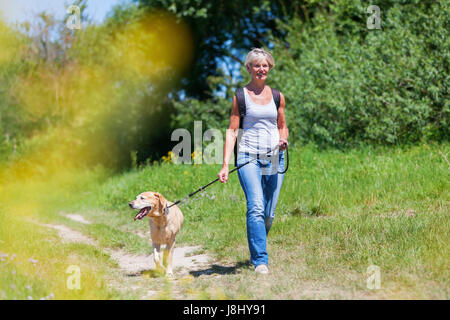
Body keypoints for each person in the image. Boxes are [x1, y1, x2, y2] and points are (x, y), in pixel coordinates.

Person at [218, 48, 289, 274]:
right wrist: (225, 165)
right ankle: (260, 261)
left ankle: (258, 242)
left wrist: (283, 139)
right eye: (257, 65)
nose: (261, 69)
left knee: (268, 213)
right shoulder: (240, 96)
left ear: (270, 68)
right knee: (256, 206)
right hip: (248, 156)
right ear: (248, 68)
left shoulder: (277, 96)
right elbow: (232, 131)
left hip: (275, 157)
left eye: (265, 65)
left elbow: (282, 125)